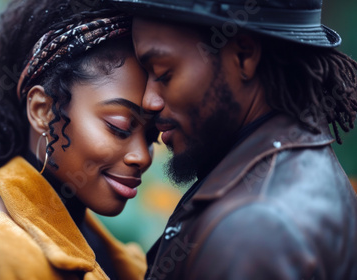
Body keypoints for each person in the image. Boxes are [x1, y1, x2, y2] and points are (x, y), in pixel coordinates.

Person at [109, 0, 357, 279]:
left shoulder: (253, 229)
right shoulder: (299, 162)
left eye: (164, 74)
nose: (148, 101)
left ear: (243, 55)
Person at [0, 0, 159, 279]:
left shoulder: (104, 250)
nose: (142, 156)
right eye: (119, 127)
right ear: (42, 111)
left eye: (152, 137)